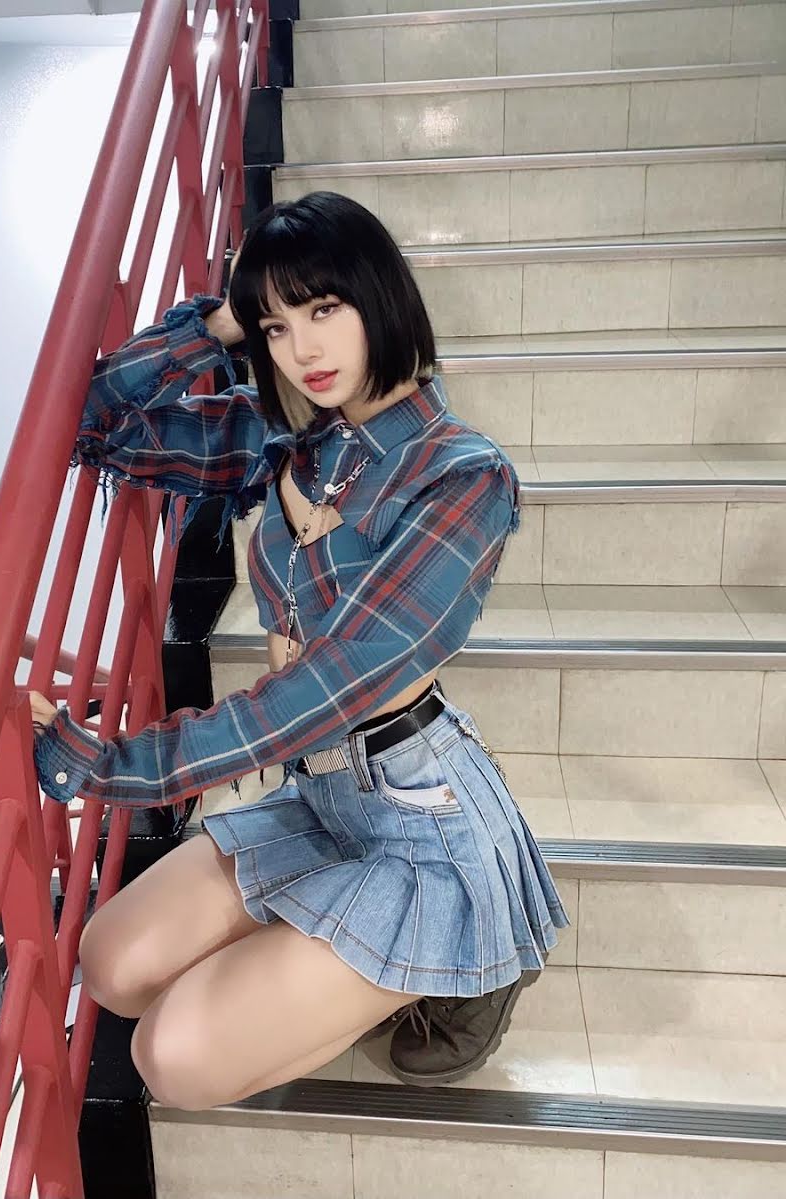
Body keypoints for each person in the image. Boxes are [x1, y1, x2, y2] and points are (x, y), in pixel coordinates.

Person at [30, 192, 569, 1110]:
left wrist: (121, 765)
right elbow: (89, 418)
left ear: (380, 297)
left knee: (172, 1056)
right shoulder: (290, 441)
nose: (301, 348)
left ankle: (470, 963)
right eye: (277, 327)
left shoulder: (461, 477)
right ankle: (332, 948)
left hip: (421, 817)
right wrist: (219, 323)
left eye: (324, 308)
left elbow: (328, 686)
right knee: (111, 964)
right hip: (318, 793)